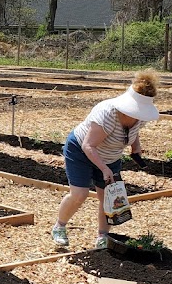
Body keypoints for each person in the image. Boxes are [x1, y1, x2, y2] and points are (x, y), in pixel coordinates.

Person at [52, 70, 159, 250]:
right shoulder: (107, 113)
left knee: (108, 198)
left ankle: (103, 236)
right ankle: (59, 227)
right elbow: (88, 146)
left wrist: (135, 146)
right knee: (79, 194)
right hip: (81, 151)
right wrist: (103, 168)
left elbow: (133, 131)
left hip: (110, 156)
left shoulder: (140, 116)